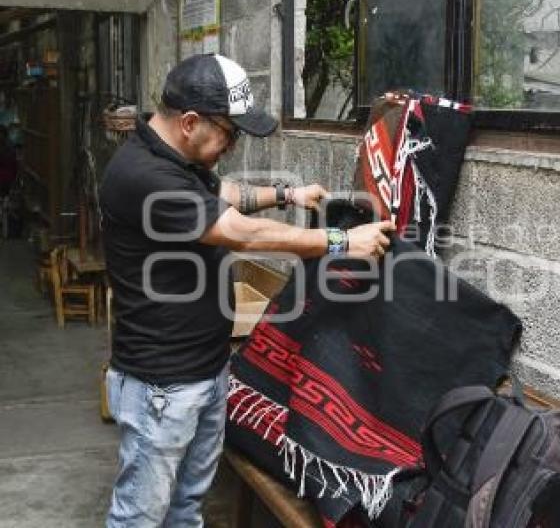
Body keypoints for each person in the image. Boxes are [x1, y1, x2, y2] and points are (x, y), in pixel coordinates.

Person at [99, 54, 394, 527]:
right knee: (139, 517)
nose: (232, 146)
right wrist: (340, 242)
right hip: (163, 384)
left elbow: (222, 194)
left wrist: (286, 194)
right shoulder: (142, 175)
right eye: (230, 135)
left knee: (187, 507)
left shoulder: (176, 157)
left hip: (205, 369)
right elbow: (239, 232)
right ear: (191, 123)